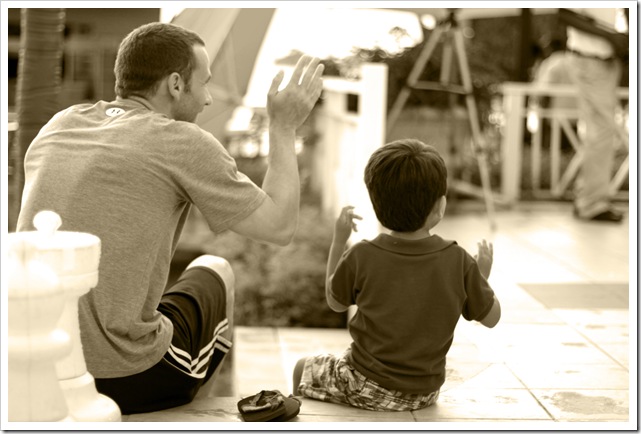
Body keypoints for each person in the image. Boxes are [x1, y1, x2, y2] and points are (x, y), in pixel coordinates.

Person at [17, 22, 323, 414]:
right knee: (216, 269)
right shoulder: (180, 141)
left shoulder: (60, 125)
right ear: (176, 84)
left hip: (31, 367)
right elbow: (279, 226)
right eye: (204, 83)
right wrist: (283, 126)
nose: (208, 99)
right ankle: (199, 416)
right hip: (123, 377)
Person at [292, 139, 500, 412]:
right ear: (440, 206)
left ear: (377, 205)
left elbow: (335, 302)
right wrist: (480, 277)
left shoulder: (362, 255)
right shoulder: (458, 260)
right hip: (424, 393)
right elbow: (492, 319)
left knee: (302, 367)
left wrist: (338, 241)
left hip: (366, 385)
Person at [563, 8, 626, 222]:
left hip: (607, 61)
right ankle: (591, 204)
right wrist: (610, 36)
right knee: (601, 132)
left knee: (600, 132)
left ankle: (587, 198)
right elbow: (564, 14)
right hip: (590, 60)